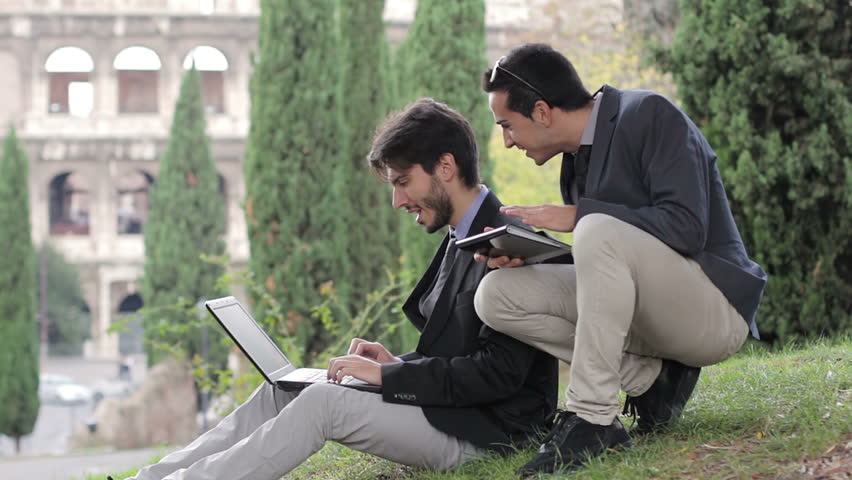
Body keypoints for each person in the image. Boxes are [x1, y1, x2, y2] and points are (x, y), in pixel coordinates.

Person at [113, 98, 557, 480]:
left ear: (445, 166)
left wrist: (389, 377)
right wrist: (396, 362)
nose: (398, 201)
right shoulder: (459, 235)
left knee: (323, 402)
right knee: (284, 389)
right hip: (451, 412)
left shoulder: (508, 243)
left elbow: (498, 374)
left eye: (403, 182)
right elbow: (456, 352)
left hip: (490, 432)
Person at [472, 43, 767, 475]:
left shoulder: (649, 114)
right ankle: (651, 382)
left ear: (541, 111)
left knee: (594, 228)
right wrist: (534, 256)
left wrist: (580, 216)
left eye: (507, 125)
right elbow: (612, 264)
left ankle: (592, 418)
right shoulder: (575, 161)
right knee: (496, 295)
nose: (507, 141)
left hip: (713, 312)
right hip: (651, 318)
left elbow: (686, 229)